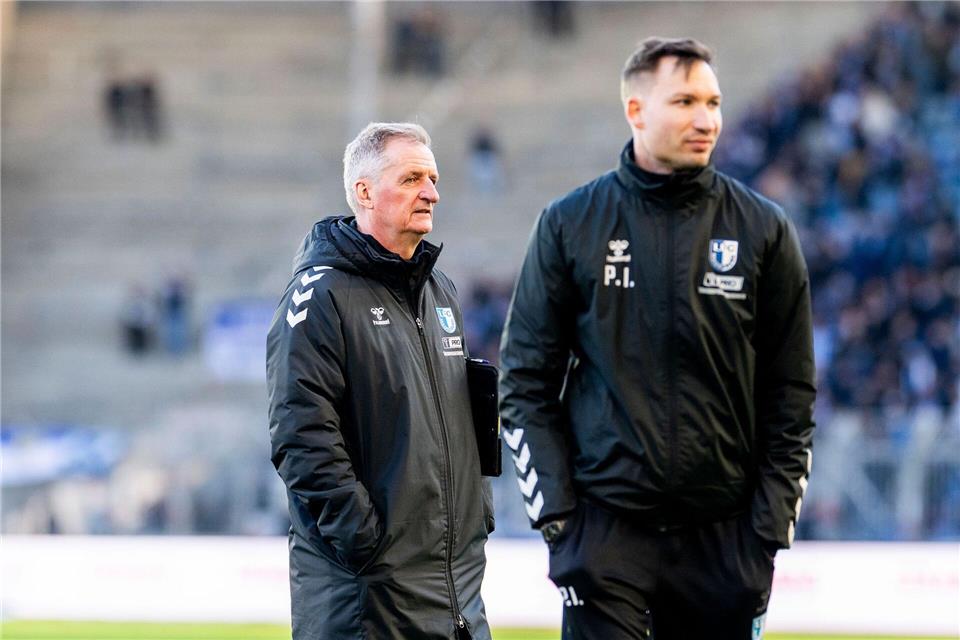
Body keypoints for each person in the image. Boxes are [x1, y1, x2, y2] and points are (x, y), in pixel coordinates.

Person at [499, 38, 816, 639]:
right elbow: (524, 383)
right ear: (636, 111)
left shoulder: (765, 229)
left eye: (714, 101)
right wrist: (561, 523)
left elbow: (792, 394)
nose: (706, 119)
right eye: (685, 100)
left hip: (725, 545)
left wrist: (767, 534)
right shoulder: (570, 223)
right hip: (605, 538)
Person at [267, 122, 494, 639]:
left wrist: (477, 512)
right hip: (369, 597)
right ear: (364, 191)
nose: (432, 192)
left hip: (455, 592)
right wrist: (365, 541)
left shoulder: (441, 291)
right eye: (413, 177)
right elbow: (301, 436)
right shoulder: (318, 295)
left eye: (433, 179)